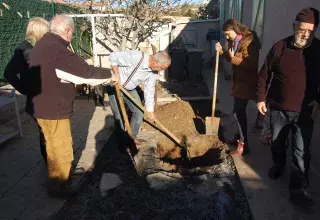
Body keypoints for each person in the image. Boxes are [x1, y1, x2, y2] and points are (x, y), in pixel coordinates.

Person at [28, 14, 112, 197]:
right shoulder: (57, 50)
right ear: (66, 31)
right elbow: (86, 74)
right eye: (73, 33)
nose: (72, 37)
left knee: (52, 147)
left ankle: (57, 178)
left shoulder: (42, 44)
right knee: (63, 148)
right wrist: (111, 74)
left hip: (41, 107)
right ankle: (60, 187)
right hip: (53, 109)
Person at [256, 8, 320, 207]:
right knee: (277, 143)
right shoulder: (280, 47)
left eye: (311, 30)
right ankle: (278, 163)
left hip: (305, 111)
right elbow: (264, 74)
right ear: (294, 26)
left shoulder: (318, 50)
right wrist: (260, 99)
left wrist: (319, 99)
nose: (306, 34)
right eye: (302, 29)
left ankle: (298, 190)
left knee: (301, 152)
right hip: (278, 109)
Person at [4, 17, 49, 163]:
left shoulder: (38, 47)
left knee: (48, 132)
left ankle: (54, 158)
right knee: (46, 132)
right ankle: (50, 161)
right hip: (37, 100)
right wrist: (24, 89)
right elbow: (9, 73)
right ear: (39, 31)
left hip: (46, 97)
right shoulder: (24, 49)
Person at [106, 50, 171, 148]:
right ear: (155, 62)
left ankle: (131, 138)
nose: (161, 71)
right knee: (118, 115)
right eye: (161, 68)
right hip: (115, 85)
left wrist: (150, 110)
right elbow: (113, 56)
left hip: (129, 88)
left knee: (139, 112)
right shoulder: (137, 57)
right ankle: (122, 144)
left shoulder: (153, 73)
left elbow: (149, 90)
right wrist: (116, 75)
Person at [215, 19, 261, 156]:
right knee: (237, 111)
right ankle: (239, 138)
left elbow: (251, 64)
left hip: (246, 82)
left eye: (228, 34)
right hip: (238, 82)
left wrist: (232, 57)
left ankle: (243, 145)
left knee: (238, 112)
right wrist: (222, 52)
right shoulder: (234, 41)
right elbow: (232, 58)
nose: (226, 37)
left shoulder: (250, 42)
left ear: (235, 30)